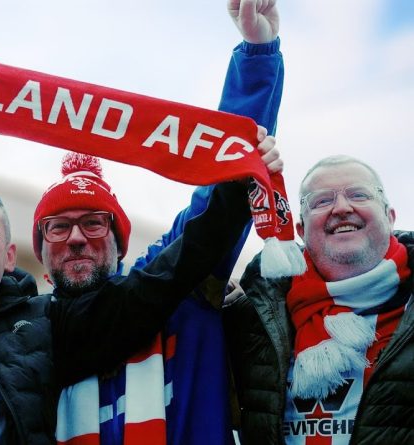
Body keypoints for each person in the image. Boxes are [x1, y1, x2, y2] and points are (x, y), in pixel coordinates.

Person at [48, 1, 284, 444]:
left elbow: (218, 190)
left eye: (94, 223)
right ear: (40, 255)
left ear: (121, 244)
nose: (76, 237)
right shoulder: (22, 341)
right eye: (58, 227)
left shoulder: (179, 289)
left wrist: (257, 56)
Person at [224, 156, 414, 444]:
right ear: (300, 231)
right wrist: (235, 173)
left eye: (359, 195)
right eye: (322, 201)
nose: (342, 208)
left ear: (390, 217)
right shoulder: (254, 314)